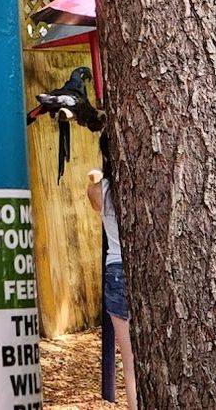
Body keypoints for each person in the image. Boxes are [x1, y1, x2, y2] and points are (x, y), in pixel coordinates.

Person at [87, 133, 137, 410]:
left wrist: (96, 175)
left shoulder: (101, 189)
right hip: (138, 270)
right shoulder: (145, 183)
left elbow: (93, 190)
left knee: (130, 362)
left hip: (117, 269)